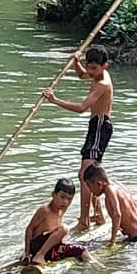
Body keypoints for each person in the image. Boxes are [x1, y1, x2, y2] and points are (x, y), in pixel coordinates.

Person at [42, 47, 114, 232]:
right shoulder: (96, 75)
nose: (90, 72)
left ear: (104, 66)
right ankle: (97, 213)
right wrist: (76, 63)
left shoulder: (102, 84)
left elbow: (82, 107)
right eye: (89, 67)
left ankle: (84, 221)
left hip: (100, 126)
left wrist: (54, 100)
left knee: (85, 175)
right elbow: (82, 75)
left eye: (94, 69)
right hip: (96, 127)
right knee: (88, 175)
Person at [21, 179, 98, 267]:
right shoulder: (44, 210)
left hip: (51, 248)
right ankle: (40, 256)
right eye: (62, 197)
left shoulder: (62, 208)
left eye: (69, 199)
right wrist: (26, 252)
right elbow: (29, 229)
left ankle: (99, 268)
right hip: (38, 247)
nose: (65, 202)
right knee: (65, 228)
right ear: (54, 195)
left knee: (82, 251)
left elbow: (55, 227)